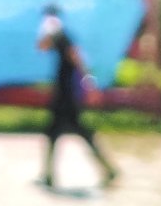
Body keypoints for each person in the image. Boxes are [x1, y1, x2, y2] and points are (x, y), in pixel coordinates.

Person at [38, 14, 118, 191]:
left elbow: (77, 58)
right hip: (63, 95)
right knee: (57, 132)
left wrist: (89, 84)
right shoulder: (59, 38)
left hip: (67, 96)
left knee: (72, 132)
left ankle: (108, 169)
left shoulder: (64, 38)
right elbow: (42, 47)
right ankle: (49, 174)